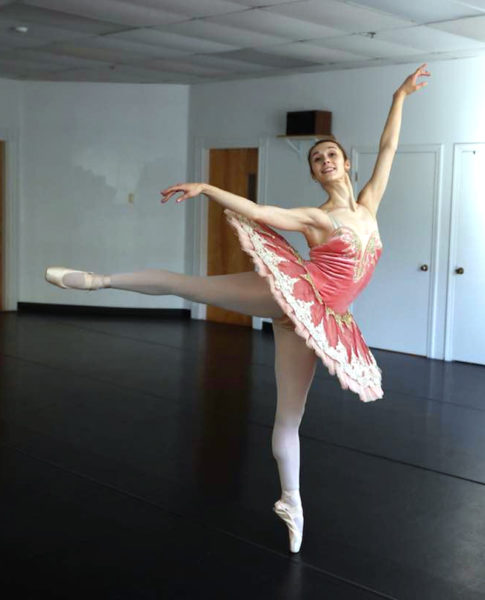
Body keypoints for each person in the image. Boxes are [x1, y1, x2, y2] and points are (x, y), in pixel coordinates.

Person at [45, 64, 430, 554]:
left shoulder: (369, 206)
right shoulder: (318, 217)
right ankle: (100, 280)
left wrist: (400, 95)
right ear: (314, 173)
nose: (325, 160)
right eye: (317, 159)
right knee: (192, 287)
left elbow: (390, 147)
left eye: (331, 153)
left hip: (315, 324)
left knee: (290, 418)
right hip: (292, 293)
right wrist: (206, 188)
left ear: (346, 163)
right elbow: (262, 214)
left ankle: (291, 501)